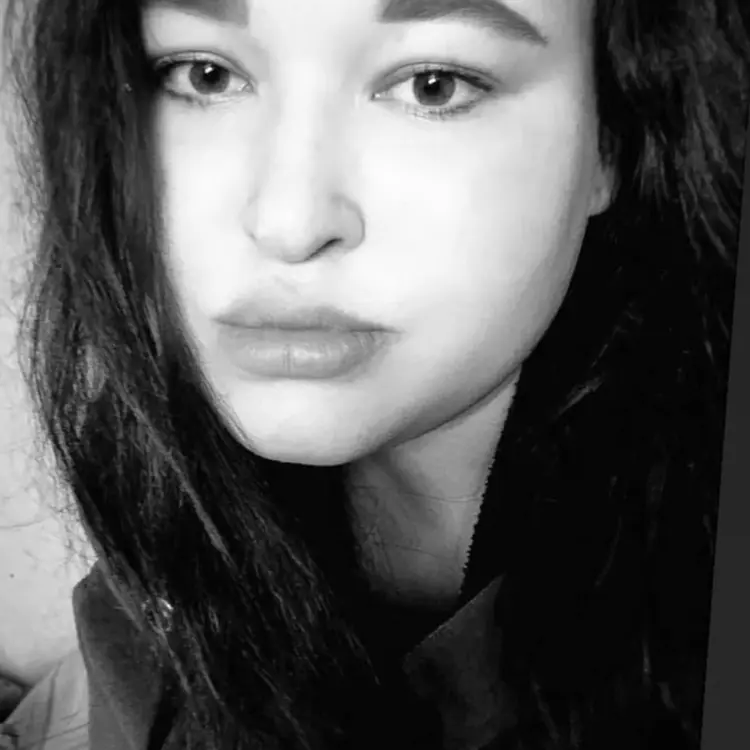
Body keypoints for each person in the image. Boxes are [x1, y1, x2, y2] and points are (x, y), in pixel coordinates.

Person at [2, 0, 748, 748]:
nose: (290, 224)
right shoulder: (152, 576)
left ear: (613, 138)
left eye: (433, 85)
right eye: (205, 75)